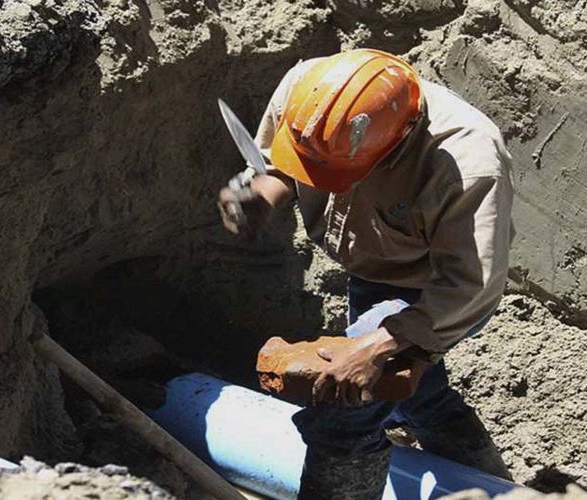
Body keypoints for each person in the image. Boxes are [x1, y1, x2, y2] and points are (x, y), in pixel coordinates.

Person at [218, 48, 514, 499]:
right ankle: (492, 484)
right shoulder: (307, 96)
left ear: (399, 139)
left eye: (341, 172)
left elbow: (471, 285)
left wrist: (376, 345)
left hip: (435, 289)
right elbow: (282, 163)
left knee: (344, 402)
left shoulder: (466, 162)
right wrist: (264, 194)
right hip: (370, 265)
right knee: (412, 393)